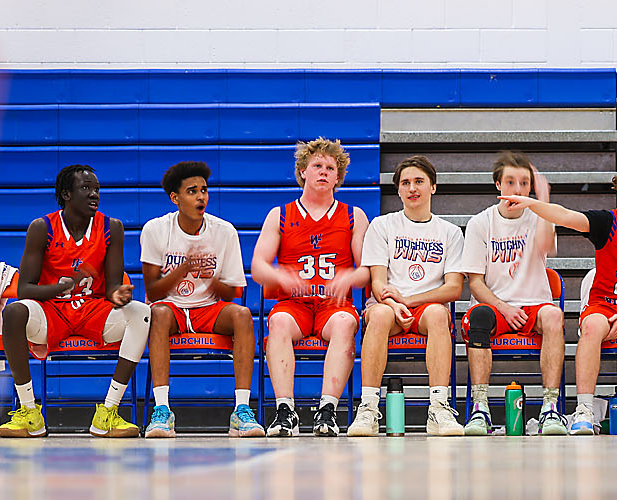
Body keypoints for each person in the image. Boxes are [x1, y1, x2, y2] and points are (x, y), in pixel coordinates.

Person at [499, 163, 617, 436]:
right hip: (605, 303)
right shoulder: (607, 222)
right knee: (592, 327)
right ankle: (584, 408)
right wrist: (530, 203)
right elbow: (564, 216)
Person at [0, 165, 151, 438]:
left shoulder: (111, 227)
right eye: (85, 188)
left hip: (93, 311)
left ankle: (108, 413)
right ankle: (30, 412)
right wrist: (58, 287)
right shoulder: (41, 228)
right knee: (14, 313)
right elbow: (24, 290)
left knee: (141, 312)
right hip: (51, 311)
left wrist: (118, 294)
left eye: (96, 189)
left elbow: (112, 287)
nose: (94, 195)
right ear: (66, 194)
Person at [250, 138, 369, 437]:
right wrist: (281, 276)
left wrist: (349, 278)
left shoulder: (354, 216)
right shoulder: (280, 214)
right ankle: (284, 411)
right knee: (276, 322)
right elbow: (258, 266)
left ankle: (327, 410)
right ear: (303, 171)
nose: (324, 172)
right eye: (317, 166)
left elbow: (368, 269)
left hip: (333, 304)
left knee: (345, 323)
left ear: (338, 177)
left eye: (331, 168)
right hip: (294, 304)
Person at [139, 160, 260, 438]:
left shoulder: (224, 231)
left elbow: (234, 293)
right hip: (171, 308)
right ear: (175, 198)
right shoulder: (155, 229)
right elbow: (153, 291)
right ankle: (162, 411)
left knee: (242, 315)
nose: (201, 197)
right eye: (192, 191)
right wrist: (184, 268)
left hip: (209, 308)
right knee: (156, 313)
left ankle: (241, 411)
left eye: (204, 190)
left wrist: (208, 278)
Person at [350, 155, 466, 437]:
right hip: (387, 307)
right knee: (376, 315)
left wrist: (410, 301)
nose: (412, 188)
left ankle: (439, 407)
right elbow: (377, 283)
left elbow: (453, 289)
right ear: (398, 190)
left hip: (424, 308)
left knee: (440, 314)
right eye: (405, 183)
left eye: (419, 181)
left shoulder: (450, 233)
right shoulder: (382, 225)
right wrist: (393, 303)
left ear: (433, 187)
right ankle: (368, 408)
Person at [458, 152, 567, 435]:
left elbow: (545, 246)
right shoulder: (480, 223)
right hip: (497, 308)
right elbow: (476, 283)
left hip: (535, 305)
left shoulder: (539, 215)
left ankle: (550, 408)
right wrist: (504, 308)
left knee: (554, 316)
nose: (517, 190)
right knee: (478, 317)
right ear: (498, 185)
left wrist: (543, 202)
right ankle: (480, 408)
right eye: (510, 182)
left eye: (524, 183)